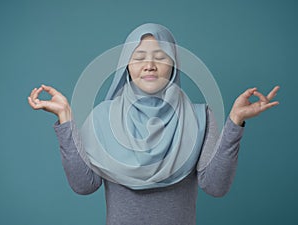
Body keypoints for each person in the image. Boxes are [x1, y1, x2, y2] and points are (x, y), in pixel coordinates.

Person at [28, 23, 279, 225]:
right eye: (138, 58)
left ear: (173, 65)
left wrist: (235, 122)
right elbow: (84, 185)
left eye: (160, 57)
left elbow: (215, 187)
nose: (149, 65)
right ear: (126, 66)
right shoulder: (102, 118)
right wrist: (65, 118)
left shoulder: (200, 116)